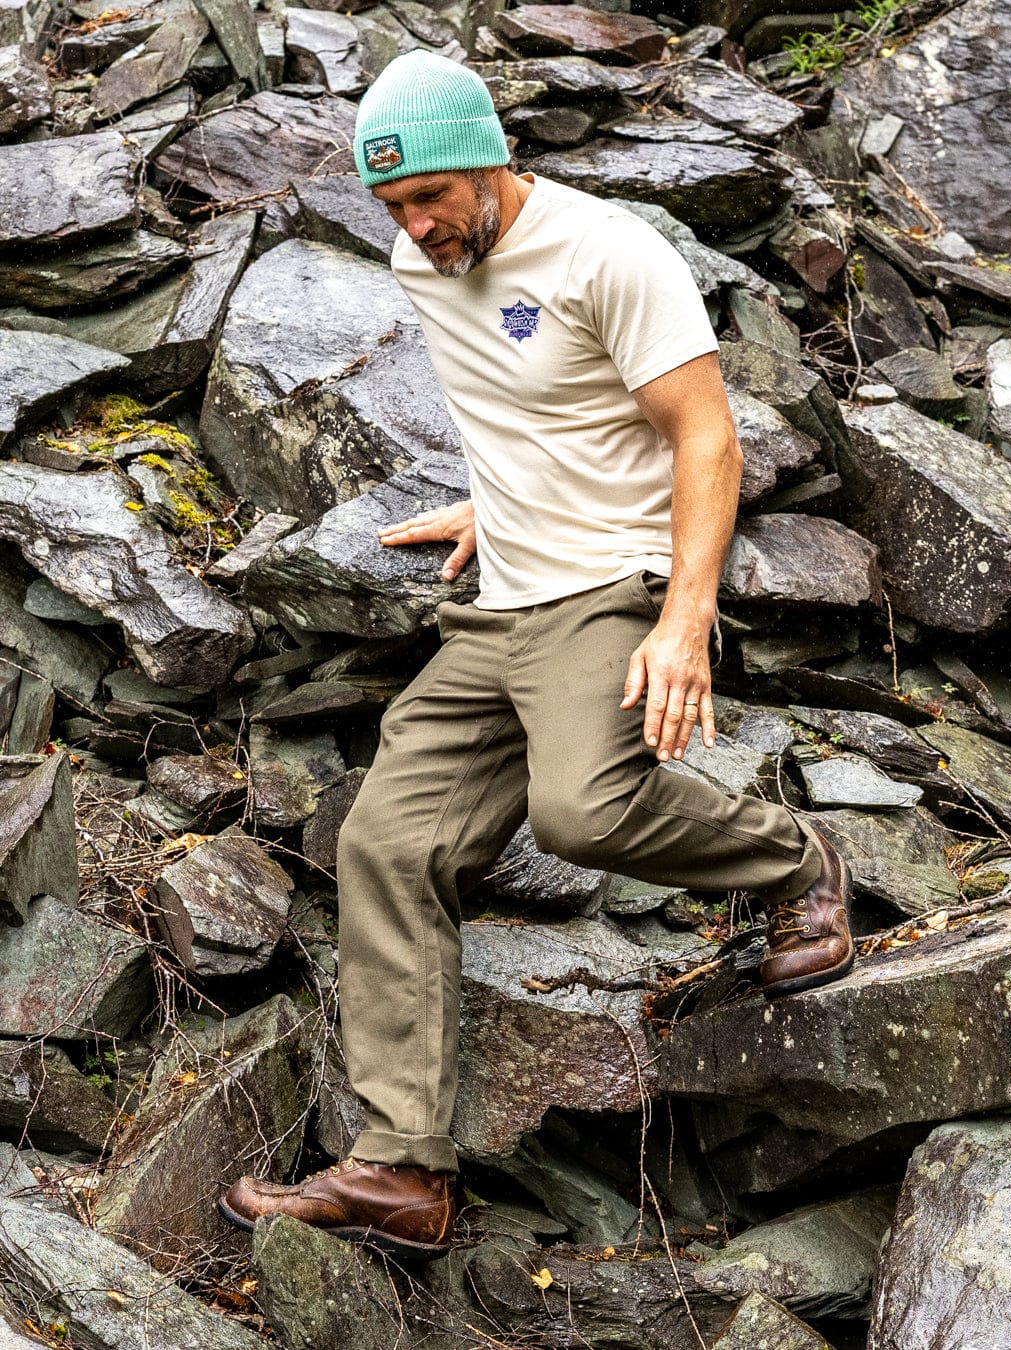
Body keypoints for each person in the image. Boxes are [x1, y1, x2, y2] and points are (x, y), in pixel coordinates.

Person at [220, 49, 854, 1260]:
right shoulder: (423, 258)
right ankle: (402, 1169)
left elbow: (705, 434)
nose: (413, 227)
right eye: (391, 206)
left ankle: (795, 859)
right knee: (385, 842)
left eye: (430, 197)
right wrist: (496, 500)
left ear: (491, 160)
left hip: (614, 583)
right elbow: (520, 400)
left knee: (581, 810)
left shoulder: (610, 254)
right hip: (501, 600)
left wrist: (683, 618)